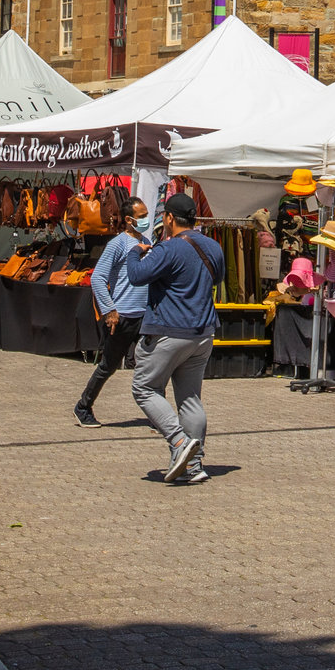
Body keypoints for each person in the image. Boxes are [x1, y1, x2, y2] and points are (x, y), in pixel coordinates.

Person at [127, 191, 221, 485]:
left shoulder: (168, 249)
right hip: (202, 334)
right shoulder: (214, 248)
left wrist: (135, 251)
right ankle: (194, 466)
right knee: (190, 398)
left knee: (144, 388)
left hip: (169, 331)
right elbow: (214, 279)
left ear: (168, 218)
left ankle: (179, 442)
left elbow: (137, 275)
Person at [75, 196, 153, 426]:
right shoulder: (117, 244)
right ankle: (83, 406)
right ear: (129, 220)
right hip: (123, 315)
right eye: (142, 216)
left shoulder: (147, 241)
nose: (146, 219)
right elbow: (98, 278)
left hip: (144, 315)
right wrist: (109, 309)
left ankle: (157, 415)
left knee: (153, 364)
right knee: (108, 365)